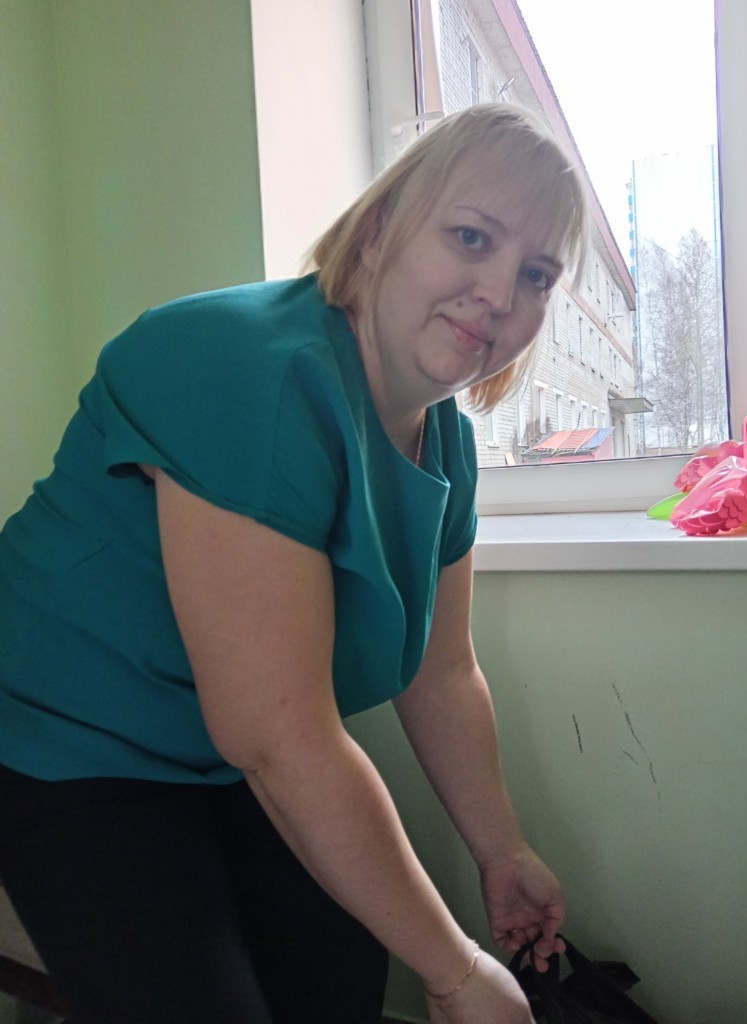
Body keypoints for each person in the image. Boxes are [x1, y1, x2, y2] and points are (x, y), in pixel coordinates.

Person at [0, 102, 588, 1024]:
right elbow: (278, 737)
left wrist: (503, 851)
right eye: (472, 237)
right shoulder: (247, 368)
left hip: (215, 752)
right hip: (58, 737)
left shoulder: (447, 443)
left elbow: (442, 673)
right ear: (381, 229)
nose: (499, 291)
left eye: (537, 274)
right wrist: (454, 972)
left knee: (338, 975)